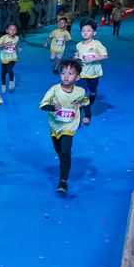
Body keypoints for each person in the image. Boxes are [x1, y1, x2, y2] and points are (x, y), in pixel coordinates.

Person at [39, 59, 90, 195]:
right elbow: (42, 106)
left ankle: (63, 181)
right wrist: (53, 107)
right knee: (60, 152)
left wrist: (87, 116)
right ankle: (64, 163)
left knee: (65, 152)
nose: (66, 76)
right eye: (63, 73)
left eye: (70, 73)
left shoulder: (80, 92)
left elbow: (86, 103)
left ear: (77, 77)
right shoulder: (54, 90)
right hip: (55, 126)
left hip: (70, 125)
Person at [74, 18, 108, 125]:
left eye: (88, 30)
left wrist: (93, 59)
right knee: (81, 94)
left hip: (93, 74)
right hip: (81, 74)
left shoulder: (97, 44)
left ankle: (93, 93)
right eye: (83, 30)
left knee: (92, 90)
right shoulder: (78, 45)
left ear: (94, 32)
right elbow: (77, 54)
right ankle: (80, 116)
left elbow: (105, 56)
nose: (85, 33)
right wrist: (75, 57)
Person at [0, 23, 22, 93]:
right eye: (11, 29)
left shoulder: (17, 38)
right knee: (3, 73)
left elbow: (15, 43)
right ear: (7, 30)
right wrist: (5, 44)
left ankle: (12, 80)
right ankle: (3, 85)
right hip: (4, 57)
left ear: (16, 31)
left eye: (14, 30)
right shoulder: (3, 38)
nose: (12, 31)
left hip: (13, 57)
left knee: (9, 69)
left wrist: (18, 47)